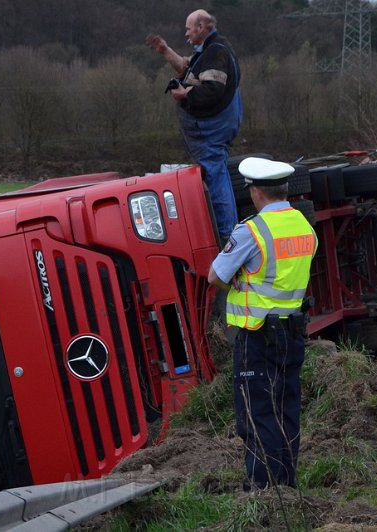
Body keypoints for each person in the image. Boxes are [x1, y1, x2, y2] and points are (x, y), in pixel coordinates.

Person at [208, 157, 317, 490]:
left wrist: (240, 280)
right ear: (284, 190)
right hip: (293, 334)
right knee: (287, 408)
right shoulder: (304, 226)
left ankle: (263, 490)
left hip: (257, 336)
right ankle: (287, 483)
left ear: (256, 193)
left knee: (258, 413)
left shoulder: (252, 230)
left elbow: (215, 276)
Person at [147, 9, 243, 240]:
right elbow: (186, 68)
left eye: (189, 28)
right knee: (218, 173)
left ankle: (227, 236)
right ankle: (230, 231)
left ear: (202, 28)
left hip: (212, 130)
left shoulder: (216, 52)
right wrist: (165, 51)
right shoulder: (208, 51)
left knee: (215, 176)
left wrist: (185, 95)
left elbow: (212, 90)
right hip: (213, 129)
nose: (186, 33)